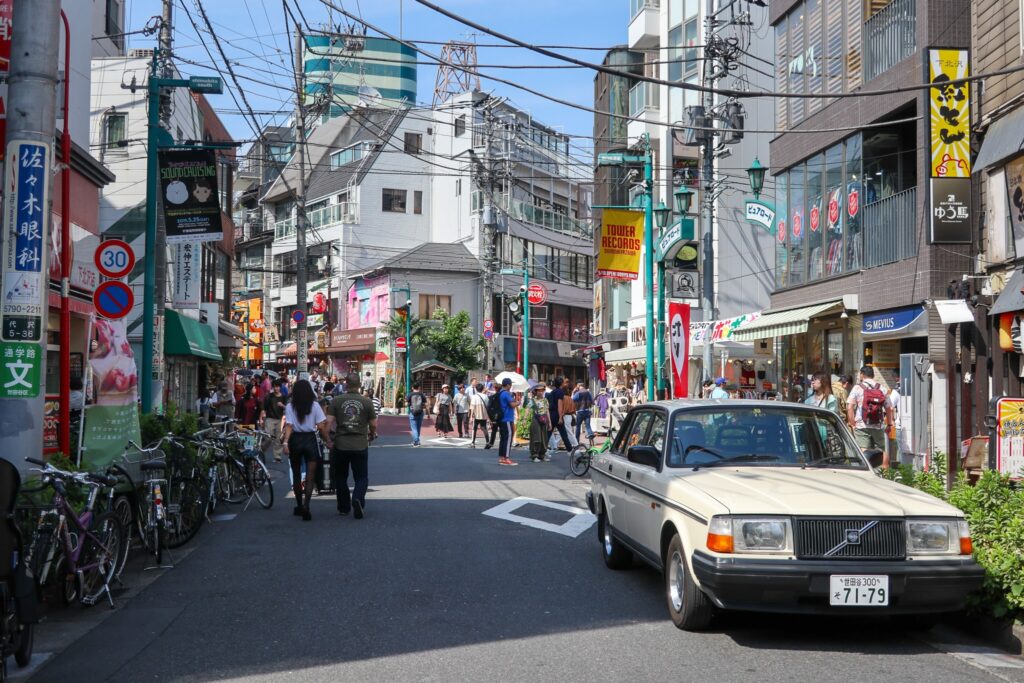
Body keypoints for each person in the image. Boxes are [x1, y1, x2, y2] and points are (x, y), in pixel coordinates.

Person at [328, 373, 378, 519]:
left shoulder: (336, 401)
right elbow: (373, 424)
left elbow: (327, 423)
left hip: (341, 444)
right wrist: (372, 434)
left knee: (341, 477)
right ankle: (357, 498)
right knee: (361, 477)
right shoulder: (366, 402)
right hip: (360, 444)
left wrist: (327, 440)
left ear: (346, 384)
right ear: (360, 384)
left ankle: (344, 507)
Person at [281, 379, 330, 521]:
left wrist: (285, 443)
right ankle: (307, 506)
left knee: (296, 475)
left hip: (295, 440)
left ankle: (299, 505)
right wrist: (328, 440)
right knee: (310, 476)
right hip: (310, 440)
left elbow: (288, 426)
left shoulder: (290, 406)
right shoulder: (315, 405)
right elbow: (321, 426)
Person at [847, 365, 894, 466]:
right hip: (878, 425)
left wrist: (852, 423)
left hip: (861, 425)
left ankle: (866, 470)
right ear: (873, 375)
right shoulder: (882, 388)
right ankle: (885, 472)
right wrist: (890, 424)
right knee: (883, 449)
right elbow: (889, 408)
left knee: (864, 449)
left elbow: (849, 407)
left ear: (862, 375)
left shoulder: (857, 388)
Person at [545, 377, 574, 458]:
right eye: (564, 383)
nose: (565, 384)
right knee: (563, 433)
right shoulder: (560, 392)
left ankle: (543, 450)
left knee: (548, 433)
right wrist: (560, 417)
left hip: (550, 413)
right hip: (556, 414)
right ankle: (570, 450)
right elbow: (559, 404)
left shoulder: (552, 392)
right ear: (561, 384)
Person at [261, 380, 287, 462]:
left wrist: (282, 405)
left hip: (280, 419)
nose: (276, 388)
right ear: (273, 387)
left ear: (280, 387)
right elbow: (263, 408)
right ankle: (261, 451)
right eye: (275, 386)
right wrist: (262, 418)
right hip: (269, 419)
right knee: (268, 437)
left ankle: (277, 457)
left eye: (278, 386)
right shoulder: (269, 396)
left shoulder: (283, 397)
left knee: (278, 438)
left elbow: (287, 409)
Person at [495, 377, 519, 466]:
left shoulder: (500, 393)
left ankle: (502, 457)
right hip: (507, 419)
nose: (511, 386)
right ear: (508, 385)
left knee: (503, 439)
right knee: (508, 438)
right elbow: (512, 405)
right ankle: (506, 458)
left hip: (501, 419)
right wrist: (518, 403)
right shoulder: (506, 393)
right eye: (510, 384)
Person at [527, 384, 550, 462]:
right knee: (537, 438)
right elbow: (528, 409)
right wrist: (525, 419)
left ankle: (542, 455)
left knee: (544, 438)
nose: (540, 392)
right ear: (536, 392)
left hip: (544, 420)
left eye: (542, 390)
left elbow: (547, 411)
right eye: (538, 391)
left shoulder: (545, 400)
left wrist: (549, 422)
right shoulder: (532, 400)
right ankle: (534, 455)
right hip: (535, 420)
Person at [469, 383, 490, 448]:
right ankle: (487, 442)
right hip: (484, 414)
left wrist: (471, 417)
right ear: (482, 389)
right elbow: (488, 405)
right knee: (484, 428)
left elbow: (472, 407)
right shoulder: (486, 396)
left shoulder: (474, 396)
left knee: (474, 429)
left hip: (476, 415)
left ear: (476, 389)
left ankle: (473, 443)